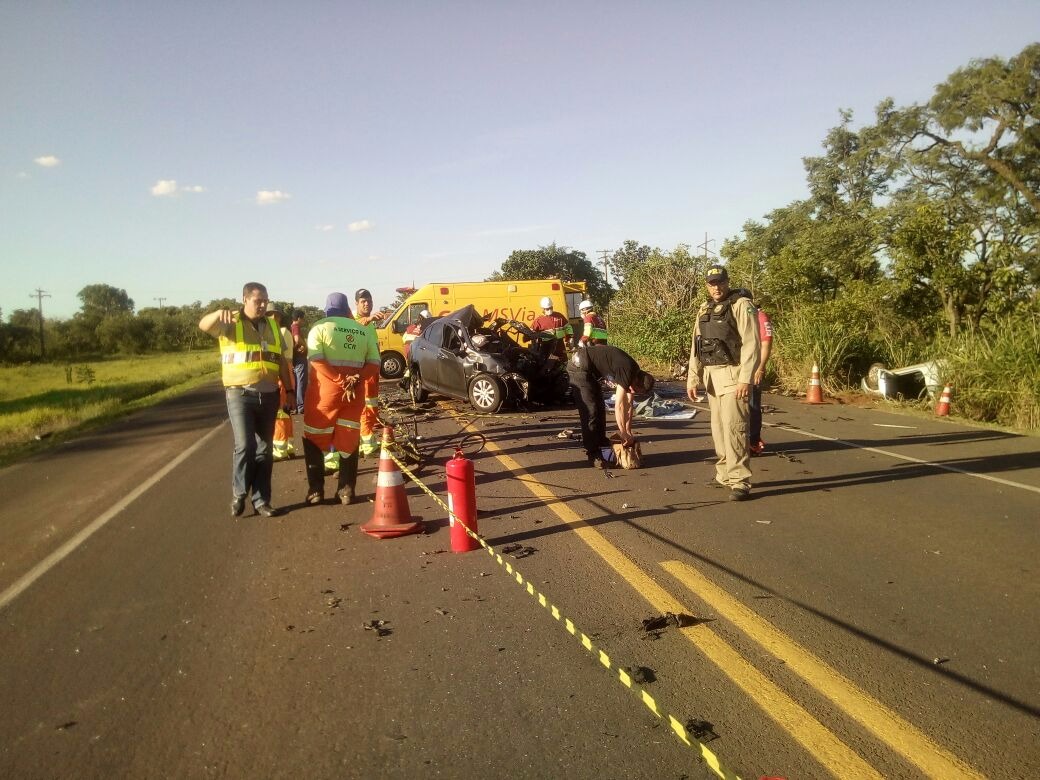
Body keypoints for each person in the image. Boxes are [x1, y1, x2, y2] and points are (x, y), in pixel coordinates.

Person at [199, 282, 294, 517]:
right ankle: (239, 493)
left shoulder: (273, 325)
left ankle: (261, 501)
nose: (262, 305)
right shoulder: (230, 322)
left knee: (265, 449)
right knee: (245, 445)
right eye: (257, 301)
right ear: (245, 300)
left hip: (269, 394)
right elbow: (203, 325)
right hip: (240, 394)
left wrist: (290, 390)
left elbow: (281, 361)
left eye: (265, 301)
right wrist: (216, 313)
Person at [687, 265, 760, 501]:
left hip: (733, 376)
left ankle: (740, 480)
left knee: (735, 429)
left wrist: (745, 379)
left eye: (720, 282)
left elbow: (752, 343)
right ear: (707, 286)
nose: (716, 287)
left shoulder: (741, 305)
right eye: (712, 284)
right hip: (712, 378)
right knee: (719, 430)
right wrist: (693, 377)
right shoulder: (704, 308)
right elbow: (697, 345)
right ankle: (725, 474)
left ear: (727, 282)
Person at [302, 292, 380, 505]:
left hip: (324, 395)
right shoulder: (362, 330)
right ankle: (346, 491)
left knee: (314, 438)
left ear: (327, 310)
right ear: (347, 310)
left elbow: (316, 359)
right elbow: (374, 363)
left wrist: (339, 379)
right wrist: (356, 379)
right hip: (354, 393)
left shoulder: (319, 327)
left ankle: (316, 491)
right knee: (349, 438)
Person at [567, 344, 654, 468]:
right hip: (578, 368)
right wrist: (623, 432)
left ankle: (601, 443)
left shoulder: (635, 375)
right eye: (634, 390)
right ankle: (593, 454)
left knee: (600, 407)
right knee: (591, 410)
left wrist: (628, 431)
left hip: (591, 373)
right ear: (636, 381)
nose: (632, 392)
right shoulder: (627, 370)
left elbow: (629, 405)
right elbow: (619, 405)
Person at [735, 289, 773, 455]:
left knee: (752, 406)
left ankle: (754, 441)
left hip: (754, 369)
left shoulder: (760, 316)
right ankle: (741, 440)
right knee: (739, 407)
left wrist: (760, 367)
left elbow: (766, 344)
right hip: (740, 369)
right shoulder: (739, 315)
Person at [354, 289, 383, 457]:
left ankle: (363, 440)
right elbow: (356, 325)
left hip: (372, 372)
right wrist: (370, 318)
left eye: (369, 301)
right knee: (366, 407)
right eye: (363, 301)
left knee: (371, 407)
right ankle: (367, 444)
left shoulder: (370, 323)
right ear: (356, 304)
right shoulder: (354, 320)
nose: (367, 304)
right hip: (364, 371)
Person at [401, 309, 432, 381]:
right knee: (416, 366)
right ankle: (406, 380)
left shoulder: (412, 326)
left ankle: (407, 379)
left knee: (410, 366)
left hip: (407, 348)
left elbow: (403, 338)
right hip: (415, 348)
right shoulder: (426, 326)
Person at [290, 309, 308, 414]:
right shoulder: (296, 326)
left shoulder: (291, 327)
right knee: (301, 382)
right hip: (300, 359)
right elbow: (297, 339)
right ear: (298, 318)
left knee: (297, 382)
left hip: (295, 358)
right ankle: (300, 406)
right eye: (303, 319)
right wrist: (305, 345)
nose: (303, 321)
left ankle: (297, 406)